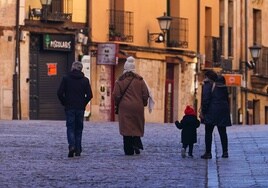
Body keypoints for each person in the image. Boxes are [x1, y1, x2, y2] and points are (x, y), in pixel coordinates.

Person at [112, 56, 150, 155]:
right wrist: (143, 103)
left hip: (124, 108)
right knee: (136, 126)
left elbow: (115, 95)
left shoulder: (120, 81)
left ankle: (128, 149)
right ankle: (136, 143)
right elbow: (146, 94)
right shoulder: (140, 80)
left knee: (126, 128)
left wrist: (117, 104)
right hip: (138, 107)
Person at [57, 61, 93, 158]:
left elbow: (59, 93)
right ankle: (78, 149)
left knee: (70, 127)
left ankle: (72, 146)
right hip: (80, 108)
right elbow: (90, 95)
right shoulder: (85, 80)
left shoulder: (66, 78)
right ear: (81, 69)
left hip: (70, 107)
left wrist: (64, 102)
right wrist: (83, 103)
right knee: (79, 128)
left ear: (72, 68)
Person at [200, 70, 232, 159]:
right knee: (223, 132)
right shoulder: (222, 85)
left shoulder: (208, 84)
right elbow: (226, 98)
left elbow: (206, 99)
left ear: (207, 76)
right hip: (223, 110)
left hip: (211, 110)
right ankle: (225, 152)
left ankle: (208, 153)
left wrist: (203, 111)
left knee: (208, 132)